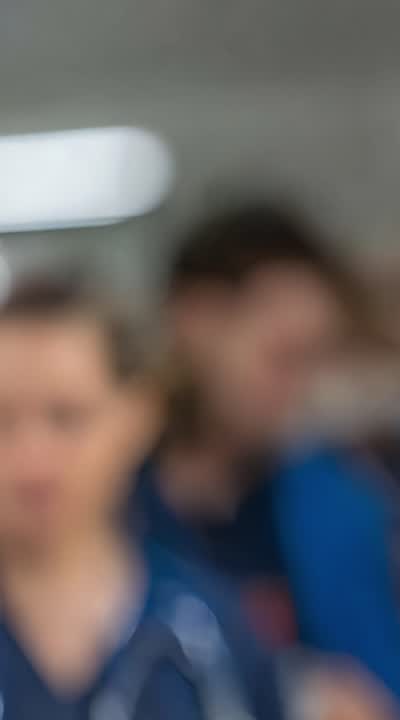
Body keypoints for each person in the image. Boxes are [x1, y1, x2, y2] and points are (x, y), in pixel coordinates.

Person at [130, 203, 400, 718]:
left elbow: (395, 695)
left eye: (314, 361)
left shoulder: (342, 509)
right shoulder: (100, 510)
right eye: (281, 357)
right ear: (196, 322)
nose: (300, 389)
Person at [0, 278, 283, 719]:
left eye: (67, 417)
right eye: (2, 421)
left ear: (139, 417)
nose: (31, 461)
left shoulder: (206, 632)